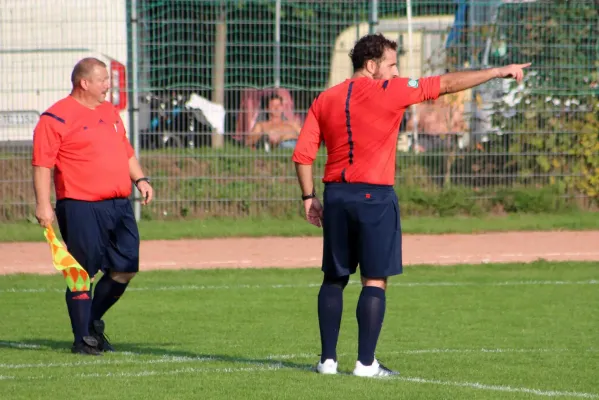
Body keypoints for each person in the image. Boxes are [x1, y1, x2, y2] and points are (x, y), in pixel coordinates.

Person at [291, 33, 529, 377]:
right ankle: (366, 364)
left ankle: (327, 361)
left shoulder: (325, 98)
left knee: (334, 278)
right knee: (374, 280)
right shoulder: (391, 89)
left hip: (337, 196)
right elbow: (446, 83)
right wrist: (496, 72)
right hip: (374, 198)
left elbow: (302, 155)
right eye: (392, 64)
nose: (397, 70)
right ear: (371, 66)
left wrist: (308, 197)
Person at [32, 57, 154, 356]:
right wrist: (43, 204)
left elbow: (125, 150)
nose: (108, 86)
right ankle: (82, 340)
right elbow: (42, 164)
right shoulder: (55, 118)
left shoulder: (110, 111)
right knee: (81, 272)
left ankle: (92, 322)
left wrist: (141, 179)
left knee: (126, 267)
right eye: (103, 80)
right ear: (84, 83)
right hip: (81, 206)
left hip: (118, 205)